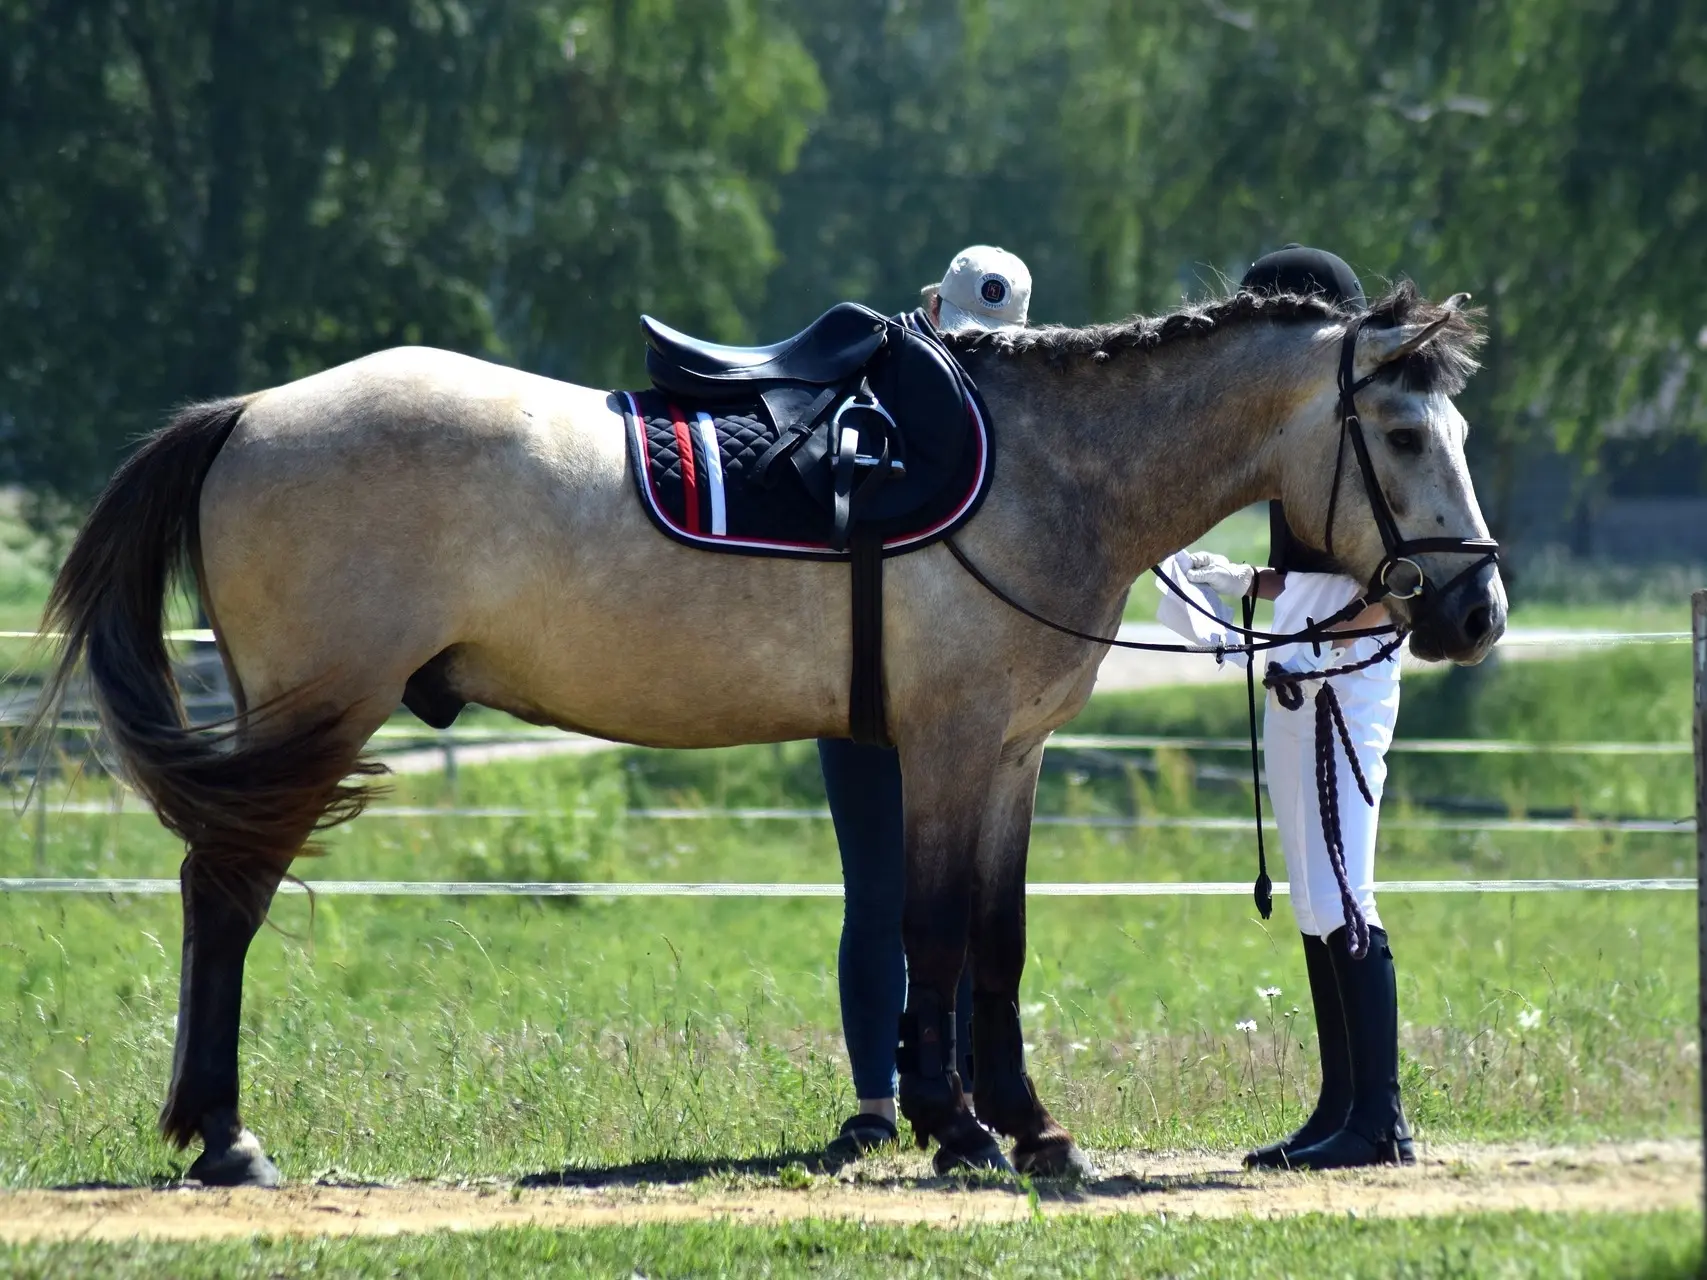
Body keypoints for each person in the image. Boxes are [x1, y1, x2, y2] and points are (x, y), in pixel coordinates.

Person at [1155, 246, 1415, 1172]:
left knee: (1344, 887)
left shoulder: (1367, 426)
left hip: (1341, 662)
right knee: (1313, 896)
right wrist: (1249, 584)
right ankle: (1339, 1107)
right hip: (1307, 650)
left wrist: (1328, 631)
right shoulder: (1304, 428)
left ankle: (1377, 1121)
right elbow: (1313, 567)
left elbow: (1400, 564)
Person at [818, 245, 1033, 1163]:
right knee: (876, 897)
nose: (974, 354)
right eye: (963, 333)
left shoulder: (1028, 429)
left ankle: (958, 1086)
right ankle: (873, 1101)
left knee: (968, 900)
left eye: (994, 341)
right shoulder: (871, 394)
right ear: (935, 311)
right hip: (867, 683)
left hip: (968, 697)